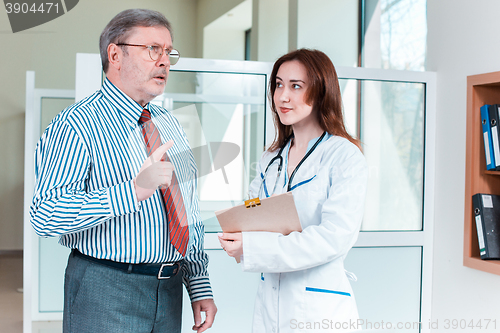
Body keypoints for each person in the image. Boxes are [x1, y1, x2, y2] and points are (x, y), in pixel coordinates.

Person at [30, 9, 216, 333]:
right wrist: (130, 192)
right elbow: (45, 215)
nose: (165, 62)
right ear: (115, 54)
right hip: (105, 289)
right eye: (152, 50)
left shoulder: (170, 123)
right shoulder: (76, 124)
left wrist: (198, 282)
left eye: (169, 52)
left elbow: (187, 207)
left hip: (169, 289)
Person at [218, 49, 368, 332]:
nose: (282, 96)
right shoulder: (271, 158)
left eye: (296, 86)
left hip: (318, 308)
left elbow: (333, 238)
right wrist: (238, 238)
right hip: (269, 302)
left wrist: (252, 247)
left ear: (322, 92)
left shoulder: (344, 156)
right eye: (278, 84)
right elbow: (252, 217)